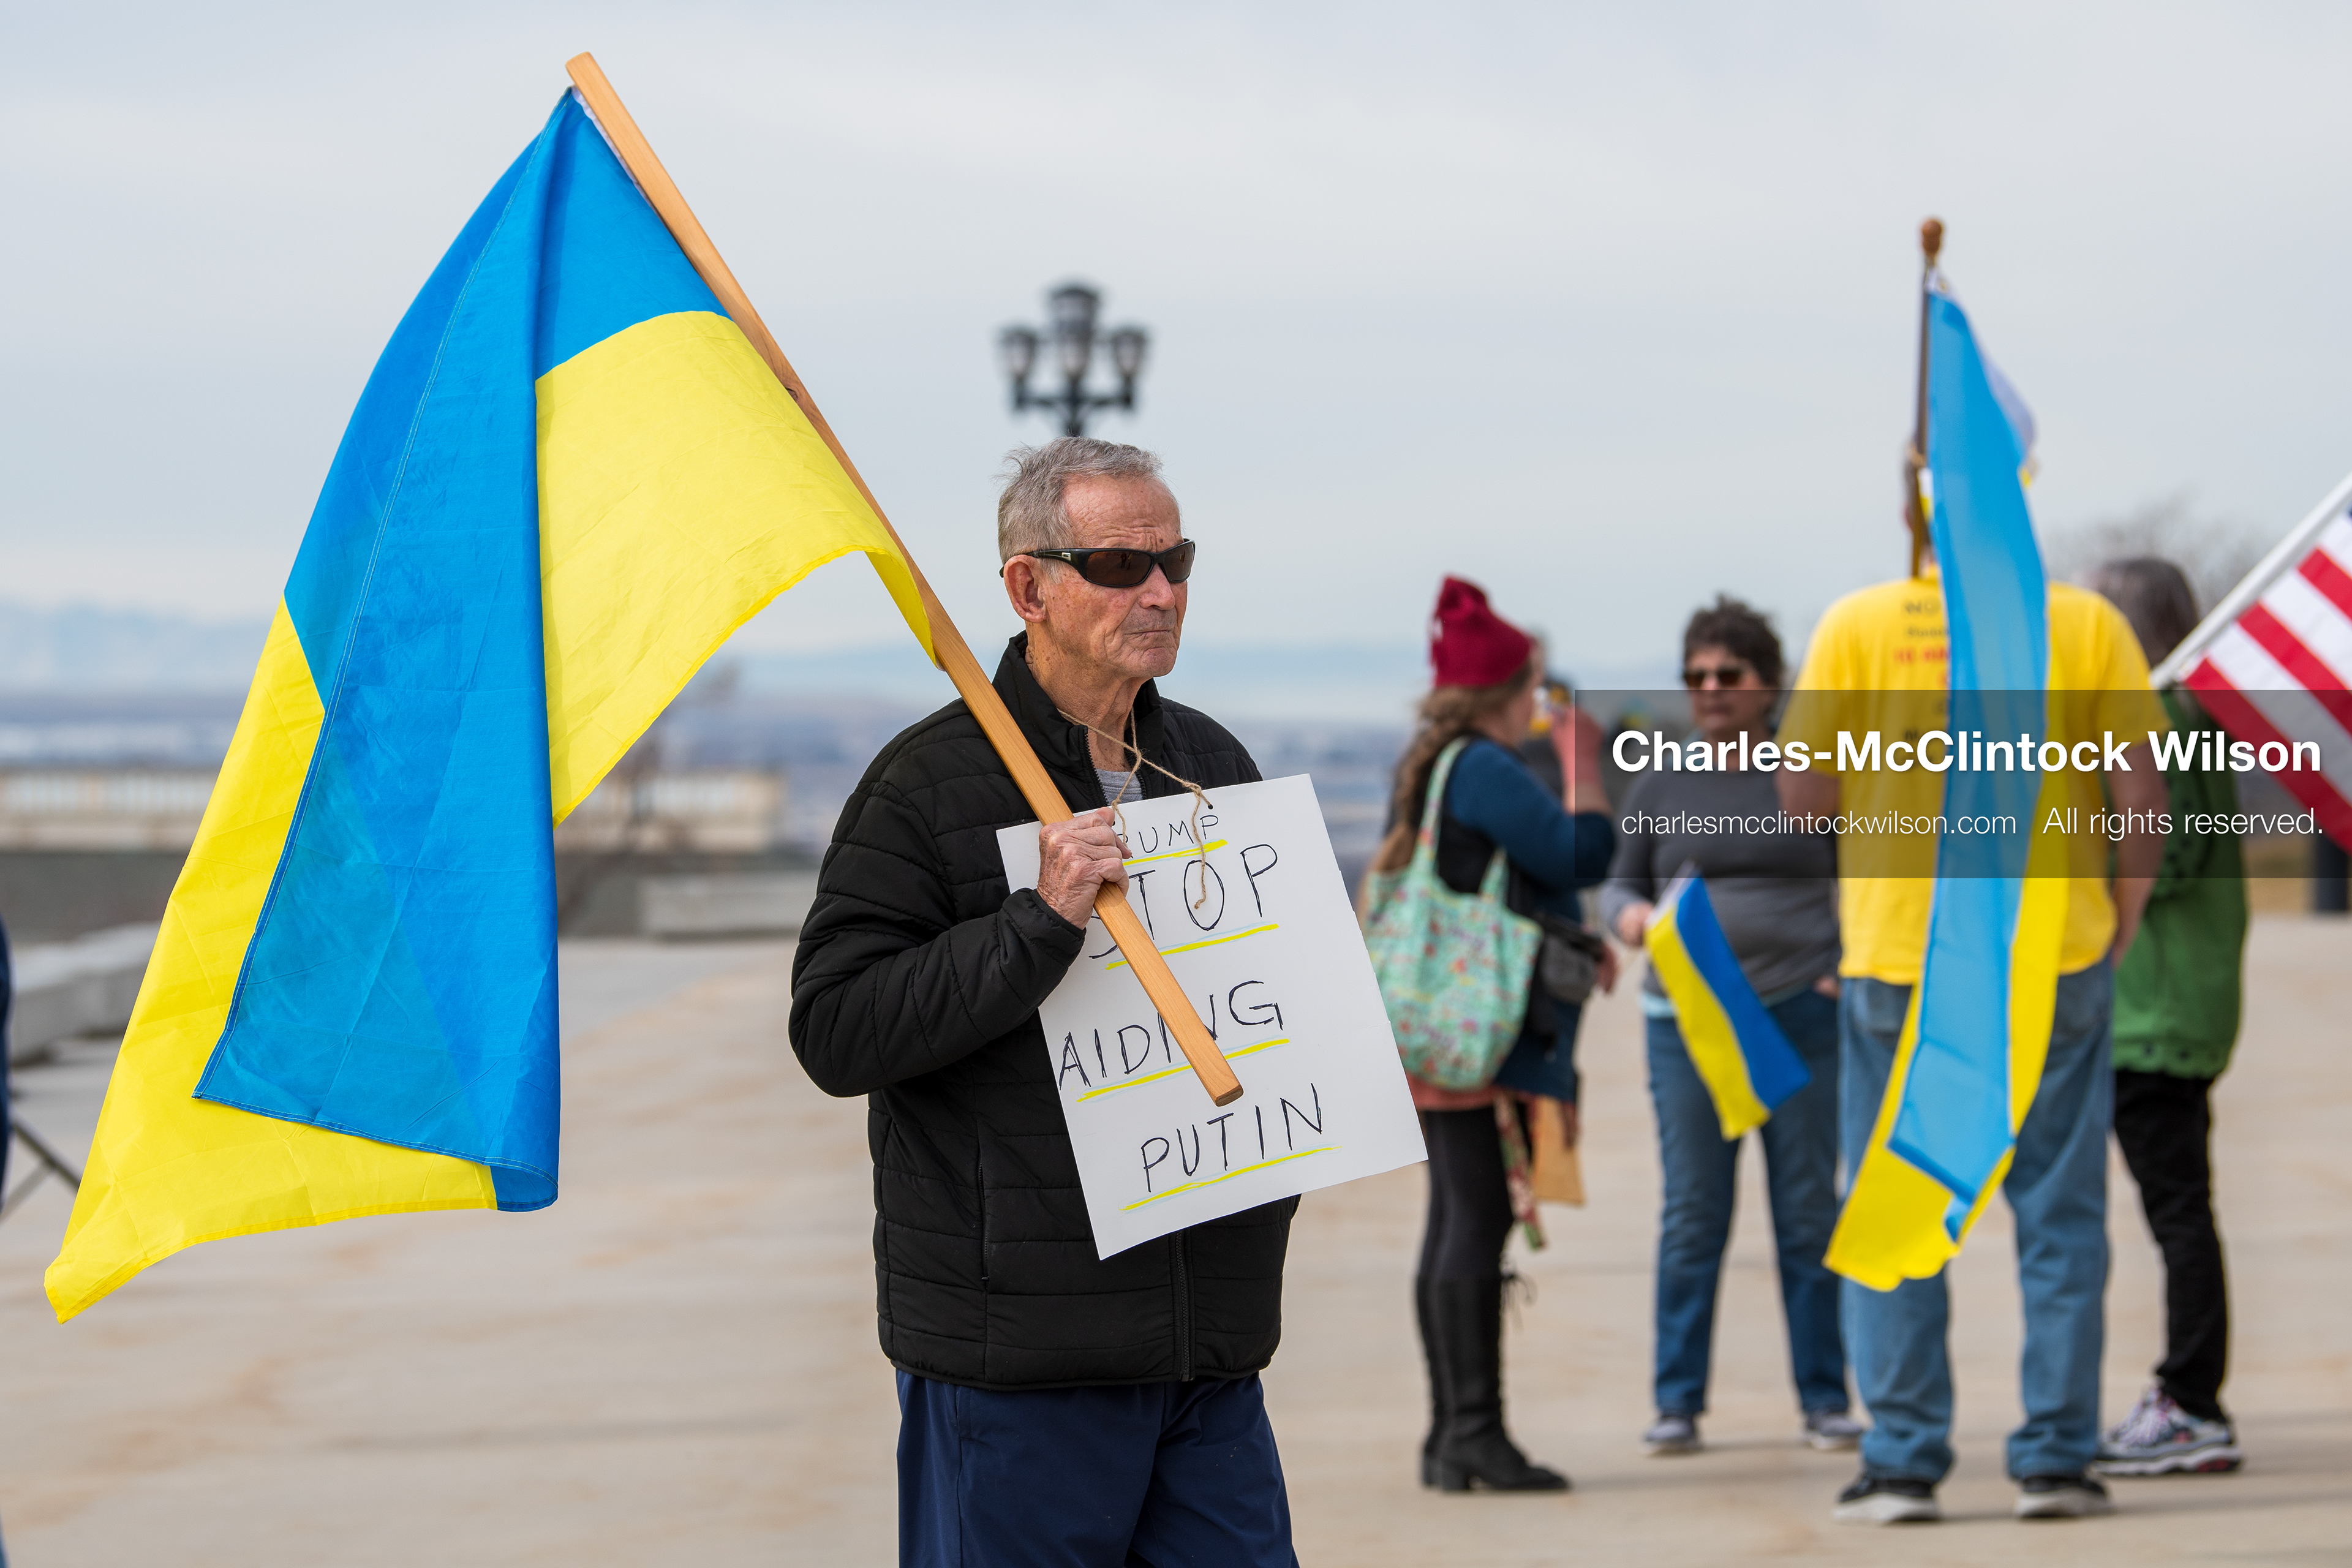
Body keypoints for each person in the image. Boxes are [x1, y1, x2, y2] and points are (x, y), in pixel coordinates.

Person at [790, 437, 1298, 1567]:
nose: (1159, 591)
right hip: (1022, 1364)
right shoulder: (926, 785)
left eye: (1175, 561)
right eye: (1121, 566)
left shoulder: (1212, 763)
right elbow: (835, 1028)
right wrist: (1038, 923)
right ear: (1028, 588)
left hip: (1206, 1352)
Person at [1779, 549, 2168, 1525]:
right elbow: (2143, 800)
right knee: (2061, 1216)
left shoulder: (1856, 625)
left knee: (1897, 1203)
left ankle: (1904, 1460)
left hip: (1903, 957)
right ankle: (2057, 1460)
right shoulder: (2086, 626)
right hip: (2051, 955)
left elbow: (1803, 801)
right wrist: (2118, 926)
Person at [1598, 597, 1861, 1457]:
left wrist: (1844, 969)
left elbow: (1867, 875)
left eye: (1728, 675)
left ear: (1768, 684)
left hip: (1801, 1018)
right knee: (1694, 1215)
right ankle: (1677, 1402)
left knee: (1808, 1218)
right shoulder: (1659, 782)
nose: (1709, 690)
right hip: (1689, 1029)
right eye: (1696, 676)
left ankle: (1826, 1399)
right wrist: (1632, 920)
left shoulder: (1812, 773)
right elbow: (1618, 886)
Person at [1371, 576, 1613, 1493]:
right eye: (1539, 689)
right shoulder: (1480, 764)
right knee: (1478, 1218)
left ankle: (1453, 1436)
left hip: (1445, 1023)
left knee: (1460, 1219)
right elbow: (1579, 854)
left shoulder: (1438, 760)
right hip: (1475, 1030)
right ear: (1510, 692)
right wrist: (1585, 759)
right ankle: (1473, 1433)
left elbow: (1512, 882)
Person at [2084, 559, 2248, 1477]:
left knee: (2179, 1213)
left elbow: (2169, 857)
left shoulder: (2162, 724)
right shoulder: (2189, 717)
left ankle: (2191, 1400)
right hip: (2178, 1004)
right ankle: (2193, 1394)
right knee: (2185, 1209)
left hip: (2157, 1012)